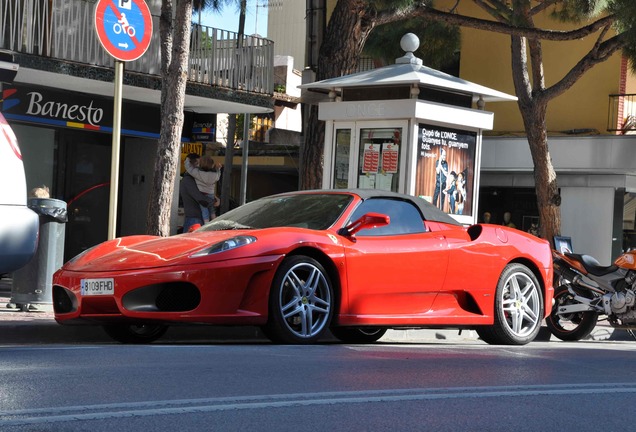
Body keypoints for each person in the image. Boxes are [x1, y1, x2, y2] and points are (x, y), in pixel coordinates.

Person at [180, 154, 217, 233]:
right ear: (191, 164)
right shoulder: (188, 180)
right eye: (198, 163)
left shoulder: (197, 178)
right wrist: (214, 201)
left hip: (199, 218)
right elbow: (200, 198)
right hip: (194, 219)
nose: (200, 165)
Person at [185, 154, 222, 222]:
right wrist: (218, 169)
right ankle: (214, 221)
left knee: (204, 210)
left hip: (202, 193)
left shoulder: (197, 173)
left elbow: (188, 168)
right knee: (212, 210)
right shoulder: (215, 175)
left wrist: (187, 159)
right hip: (211, 193)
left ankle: (206, 223)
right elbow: (218, 176)